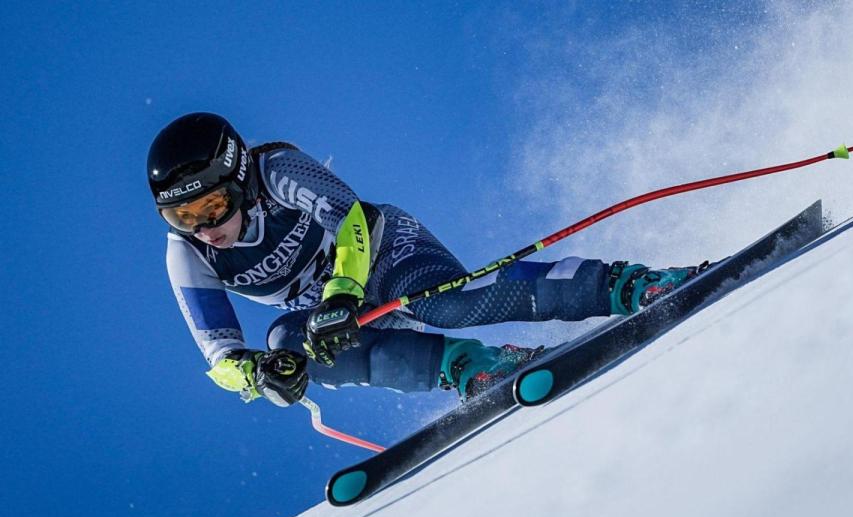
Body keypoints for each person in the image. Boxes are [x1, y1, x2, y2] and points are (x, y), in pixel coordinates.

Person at [149, 112, 703, 408]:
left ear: (239, 179)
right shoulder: (189, 253)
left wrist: (342, 291)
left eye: (212, 206)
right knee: (287, 346)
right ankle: (467, 365)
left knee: (446, 305)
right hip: (339, 313)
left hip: (383, 253)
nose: (205, 228)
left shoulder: (276, 171)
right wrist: (259, 374)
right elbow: (219, 354)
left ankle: (628, 285)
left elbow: (353, 219)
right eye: (182, 216)